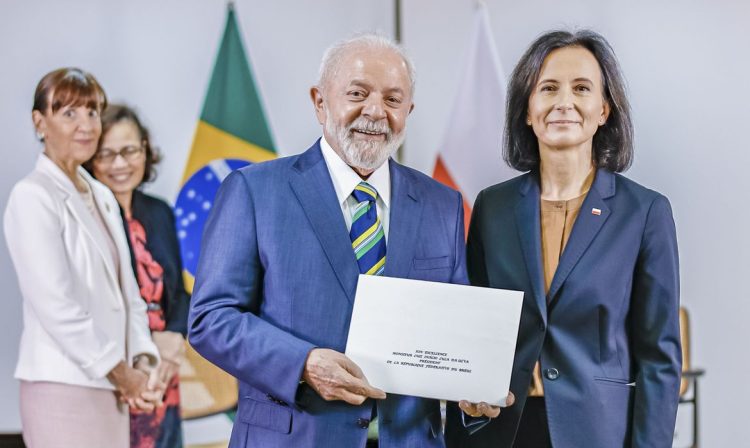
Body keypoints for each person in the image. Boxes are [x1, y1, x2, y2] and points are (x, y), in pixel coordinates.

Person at [188, 34, 502, 448]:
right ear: (320, 102)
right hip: (294, 437)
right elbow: (211, 317)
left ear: (408, 111)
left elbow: (454, 324)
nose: (375, 112)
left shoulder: (441, 204)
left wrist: (472, 387)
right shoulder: (253, 190)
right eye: (358, 93)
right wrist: (303, 363)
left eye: (393, 100)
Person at [445, 30, 682, 448]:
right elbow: (475, 327)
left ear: (604, 109)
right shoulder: (492, 208)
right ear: (528, 110)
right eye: (548, 88)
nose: (564, 102)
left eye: (581, 88)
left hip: (597, 430)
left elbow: (659, 360)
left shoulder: (645, 212)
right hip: (502, 428)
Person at [4, 68, 162, 448]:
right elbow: (55, 305)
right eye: (69, 113)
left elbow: (129, 296)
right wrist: (122, 373)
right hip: (63, 385)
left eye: (92, 112)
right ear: (39, 122)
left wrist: (142, 361)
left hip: (112, 387)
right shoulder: (32, 195)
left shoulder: (101, 194)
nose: (86, 125)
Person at [85, 104, 189, 448]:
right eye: (106, 154)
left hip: (164, 373)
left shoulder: (158, 211)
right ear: (90, 159)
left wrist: (174, 338)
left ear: (145, 150)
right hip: (118, 375)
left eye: (129, 151)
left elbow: (179, 294)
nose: (119, 164)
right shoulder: (87, 218)